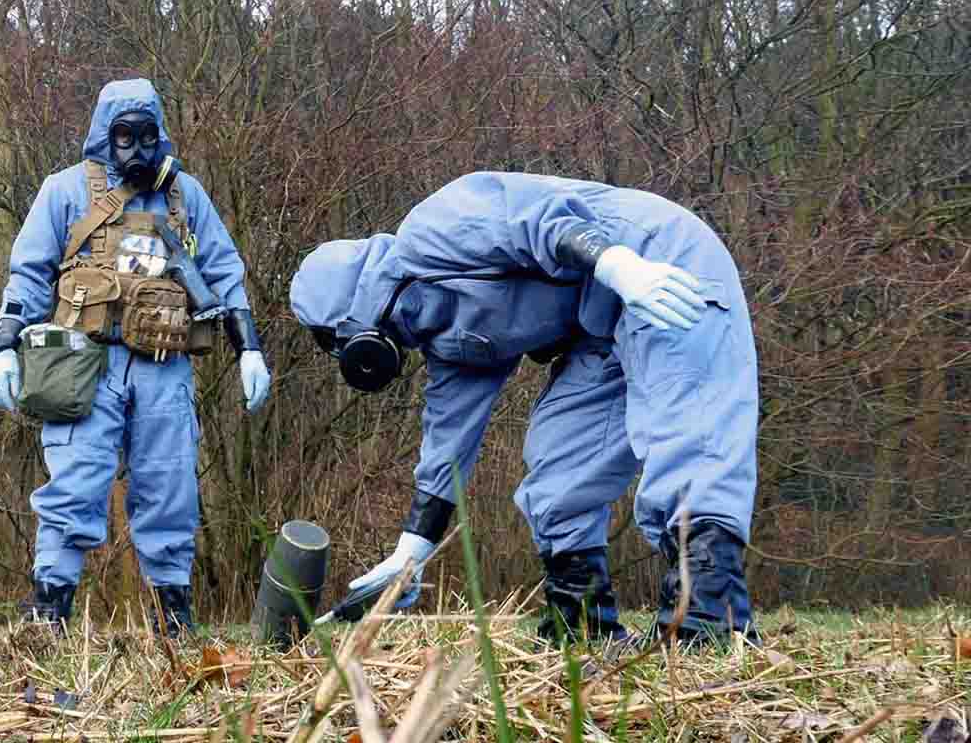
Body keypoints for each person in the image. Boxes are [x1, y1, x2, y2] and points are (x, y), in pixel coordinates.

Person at [289, 171, 759, 645]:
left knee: (689, 434)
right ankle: (582, 628)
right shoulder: (444, 339)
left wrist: (618, 264)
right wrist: (412, 551)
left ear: (352, 313)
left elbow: (538, 219)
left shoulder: (434, 228)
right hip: (598, 327)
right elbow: (446, 446)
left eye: (340, 342)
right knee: (559, 472)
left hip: (655, 263)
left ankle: (709, 624)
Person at [0, 78, 271, 636]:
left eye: (145, 136)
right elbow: (28, 270)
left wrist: (249, 347)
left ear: (159, 133)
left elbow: (224, 272)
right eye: (123, 136)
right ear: (103, 134)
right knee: (74, 483)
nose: (135, 149)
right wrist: (5, 343)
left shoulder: (185, 197)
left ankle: (174, 623)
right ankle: (49, 616)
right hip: (82, 365)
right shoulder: (66, 191)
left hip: (165, 365)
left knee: (170, 489)